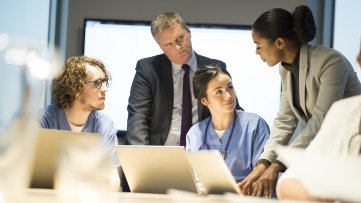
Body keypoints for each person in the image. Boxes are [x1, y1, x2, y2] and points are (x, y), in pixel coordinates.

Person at [239, 5, 361, 197]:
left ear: (279, 42)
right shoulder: (285, 69)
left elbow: (320, 122)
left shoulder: (330, 62)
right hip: (329, 150)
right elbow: (285, 120)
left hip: (357, 151)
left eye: (258, 46)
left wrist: (277, 165)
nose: (257, 52)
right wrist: (263, 163)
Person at [277, 21, 361, 201]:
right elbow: (290, 181)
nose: (257, 52)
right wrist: (317, 195)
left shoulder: (331, 62)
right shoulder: (344, 114)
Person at [127, 11, 238, 146]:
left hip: (203, 152)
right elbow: (138, 116)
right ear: (161, 47)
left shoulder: (215, 68)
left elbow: (231, 109)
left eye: (180, 38)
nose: (177, 47)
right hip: (161, 152)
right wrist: (141, 158)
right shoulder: (148, 69)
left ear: (189, 32)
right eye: (168, 44)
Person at [39, 56, 124, 191]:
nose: (104, 89)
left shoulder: (105, 125)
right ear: (75, 88)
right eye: (97, 83)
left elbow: (113, 180)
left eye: (104, 82)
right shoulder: (43, 120)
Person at [186, 66, 270, 182]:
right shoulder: (194, 133)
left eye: (230, 87)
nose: (228, 96)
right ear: (205, 101)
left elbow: (262, 176)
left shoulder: (255, 125)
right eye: (219, 91)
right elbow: (192, 178)